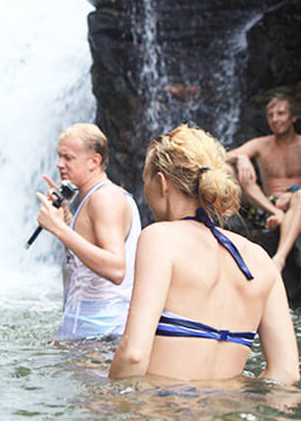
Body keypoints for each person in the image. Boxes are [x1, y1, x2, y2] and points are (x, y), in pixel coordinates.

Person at [109, 125, 299, 384]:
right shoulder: (260, 259)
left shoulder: (161, 238)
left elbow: (133, 355)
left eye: (146, 182)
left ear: (162, 183)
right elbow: (285, 373)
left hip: (162, 409)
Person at [36, 123, 141, 340]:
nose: (59, 164)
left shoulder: (105, 198)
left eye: (68, 158)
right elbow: (89, 250)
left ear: (94, 161)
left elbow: (115, 268)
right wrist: (65, 217)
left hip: (101, 333)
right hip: (90, 330)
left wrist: (58, 229)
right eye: (59, 156)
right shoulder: (96, 196)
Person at [225, 94, 301, 270]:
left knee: (299, 196)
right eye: (271, 115)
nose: (275, 119)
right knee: (228, 170)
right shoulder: (261, 144)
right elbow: (222, 157)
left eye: (281, 113)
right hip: (265, 207)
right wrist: (241, 158)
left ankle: (279, 259)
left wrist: (292, 193)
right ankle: (277, 215)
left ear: (293, 117)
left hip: (296, 204)